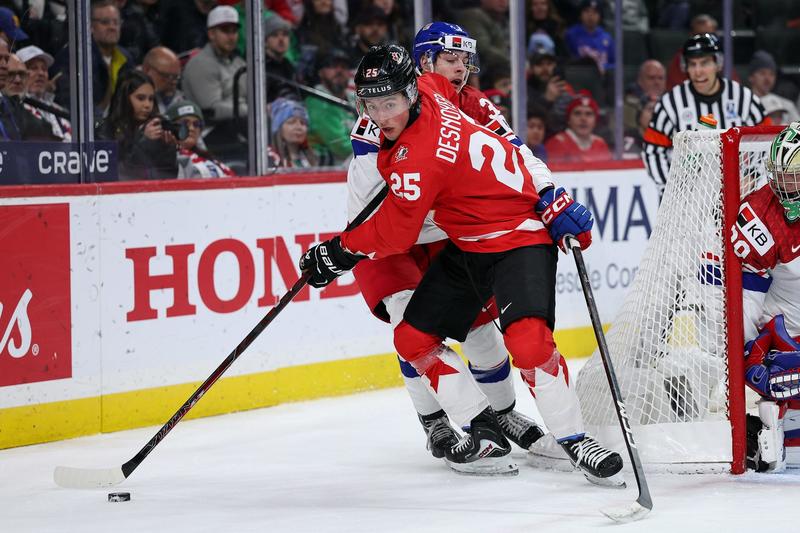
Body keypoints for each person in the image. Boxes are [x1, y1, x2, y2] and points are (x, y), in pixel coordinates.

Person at [300, 44, 624, 485]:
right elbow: (391, 233)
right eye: (372, 105)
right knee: (410, 335)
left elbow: (393, 230)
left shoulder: (417, 156)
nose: (382, 116)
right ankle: (470, 421)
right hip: (461, 244)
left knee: (525, 341)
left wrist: (335, 253)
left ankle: (575, 439)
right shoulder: (433, 89)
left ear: (411, 93)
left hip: (516, 237)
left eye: (390, 103)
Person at [346, 23, 547, 475]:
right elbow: (371, 215)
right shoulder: (377, 125)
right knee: (411, 327)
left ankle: (504, 413)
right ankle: (436, 422)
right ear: (424, 66)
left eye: (465, 61)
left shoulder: (473, 107)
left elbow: (517, 156)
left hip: (446, 236)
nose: (461, 68)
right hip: (389, 243)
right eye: (450, 60)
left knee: (480, 330)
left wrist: (549, 192)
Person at [731, 122, 800, 472]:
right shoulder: (762, 215)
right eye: (782, 175)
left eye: (795, 176)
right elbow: (747, 291)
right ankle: (773, 423)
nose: (784, 185)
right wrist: (748, 351)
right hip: (789, 329)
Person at [642, 33, 770, 195]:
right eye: (692, 64)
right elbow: (653, 151)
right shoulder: (670, 104)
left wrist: (752, 177)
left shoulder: (744, 99)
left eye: (705, 63)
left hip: (738, 198)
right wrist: (671, 189)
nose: (698, 71)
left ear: (718, 63)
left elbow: (768, 144)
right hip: (685, 204)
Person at [52, 0, 134, 118]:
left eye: (116, 22)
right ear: (90, 26)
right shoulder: (75, 55)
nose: (112, 27)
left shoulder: (126, 58)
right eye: (105, 22)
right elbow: (71, 100)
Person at [95, 70, 177, 180]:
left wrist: (168, 149)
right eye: (141, 98)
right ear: (124, 98)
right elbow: (120, 176)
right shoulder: (104, 131)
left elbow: (169, 177)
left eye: (151, 99)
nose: (147, 105)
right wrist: (144, 142)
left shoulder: (156, 128)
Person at [182, 5, 247, 122]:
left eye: (234, 31)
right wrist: (251, 111)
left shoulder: (240, 63)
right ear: (211, 34)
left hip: (240, 123)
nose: (231, 37)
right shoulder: (200, 64)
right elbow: (212, 109)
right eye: (225, 31)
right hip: (208, 130)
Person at [304, 48, 356, 164]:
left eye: (344, 66)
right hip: (326, 169)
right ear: (320, 72)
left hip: (354, 166)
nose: (339, 70)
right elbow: (341, 147)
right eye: (332, 66)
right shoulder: (317, 102)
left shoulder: (354, 99)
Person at [165, 99, 236, 179]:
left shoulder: (211, 160)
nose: (191, 128)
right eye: (184, 123)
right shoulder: (162, 160)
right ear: (169, 127)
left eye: (196, 124)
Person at [18, 45, 71, 141]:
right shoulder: (16, 108)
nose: (41, 73)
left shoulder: (58, 110)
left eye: (44, 69)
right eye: (33, 68)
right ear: (19, 73)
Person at [545, 91, 611, 163]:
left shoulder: (600, 144)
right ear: (568, 120)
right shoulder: (556, 143)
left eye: (588, 114)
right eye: (577, 113)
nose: (583, 119)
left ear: (595, 121)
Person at [269, 97, 332, 168]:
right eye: (291, 122)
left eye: (303, 123)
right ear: (278, 128)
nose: (299, 127)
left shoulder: (315, 157)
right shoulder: (269, 158)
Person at [748, 50, 800, 125]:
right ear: (751, 77)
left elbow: (798, 131)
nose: (767, 78)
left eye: (772, 74)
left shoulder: (787, 105)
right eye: (762, 73)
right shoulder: (742, 103)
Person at [564, 0, 614, 74]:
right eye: (587, 11)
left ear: (600, 16)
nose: (590, 15)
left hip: (603, 79)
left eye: (595, 12)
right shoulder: (571, 35)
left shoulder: (607, 37)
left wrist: (605, 67)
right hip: (579, 77)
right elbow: (567, 61)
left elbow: (615, 64)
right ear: (580, 14)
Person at [263, 15, 297, 103]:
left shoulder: (288, 65)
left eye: (285, 35)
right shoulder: (261, 66)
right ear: (265, 42)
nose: (281, 39)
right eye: (275, 35)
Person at [141, 46, 184, 114]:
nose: (174, 81)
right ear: (147, 70)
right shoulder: (130, 92)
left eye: (176, 77)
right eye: (167, 76)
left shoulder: (179, 98)